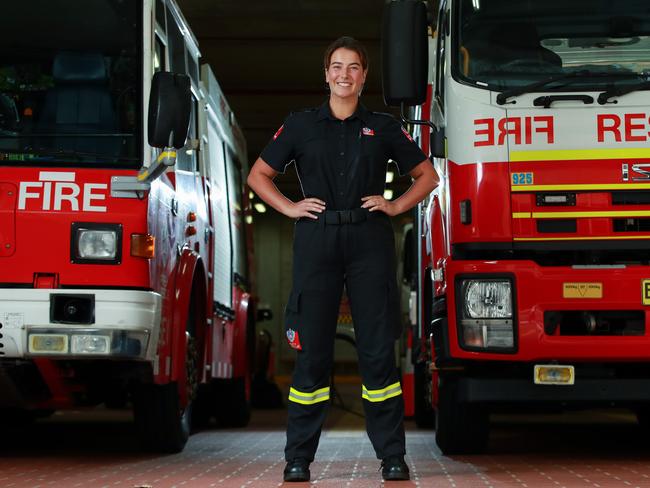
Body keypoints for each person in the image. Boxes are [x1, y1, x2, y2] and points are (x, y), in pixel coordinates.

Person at [247, 36, 439, 482]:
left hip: (369, 240)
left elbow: (427, 175)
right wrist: (291, 207)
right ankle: (298, 458)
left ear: (364, 76)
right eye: (337, 67)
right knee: (312, 354)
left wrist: (394, 206)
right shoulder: (299, 125)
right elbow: (259, 175)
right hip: (317, 241)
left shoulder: (385, 127)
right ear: (326, 74)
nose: (344, 75)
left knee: (376, 354)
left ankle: (392, 455)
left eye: (354, 67)